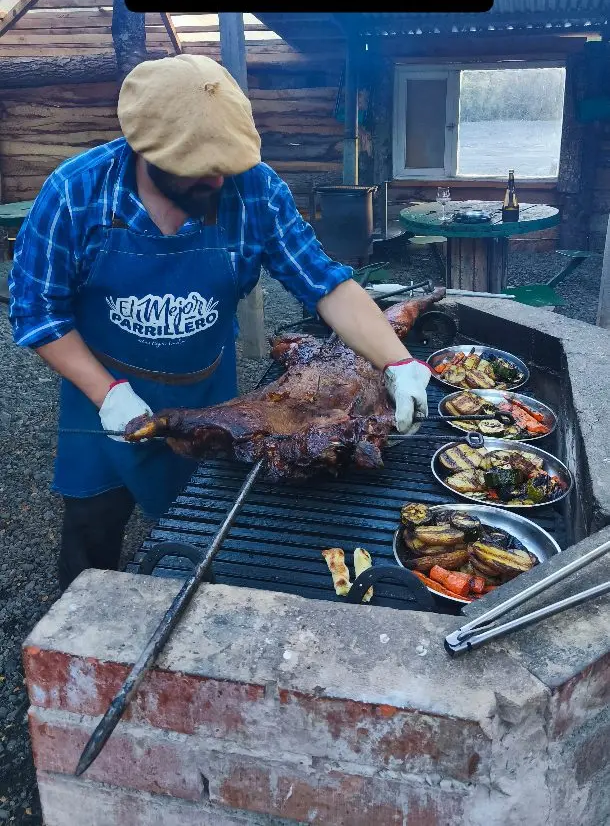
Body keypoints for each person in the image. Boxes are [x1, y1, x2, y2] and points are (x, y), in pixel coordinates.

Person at [9, 54, 430, 591]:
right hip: (100, 389)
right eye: (196, 167)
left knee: (199, 528)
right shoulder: (76, 193)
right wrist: (106, 393)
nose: (215, 177)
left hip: (208, 392)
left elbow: (324, 283)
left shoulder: (254, 190)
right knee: (92, 530)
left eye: (225, 164)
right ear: (145, 150)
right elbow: (38, 311)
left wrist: (398, 362)